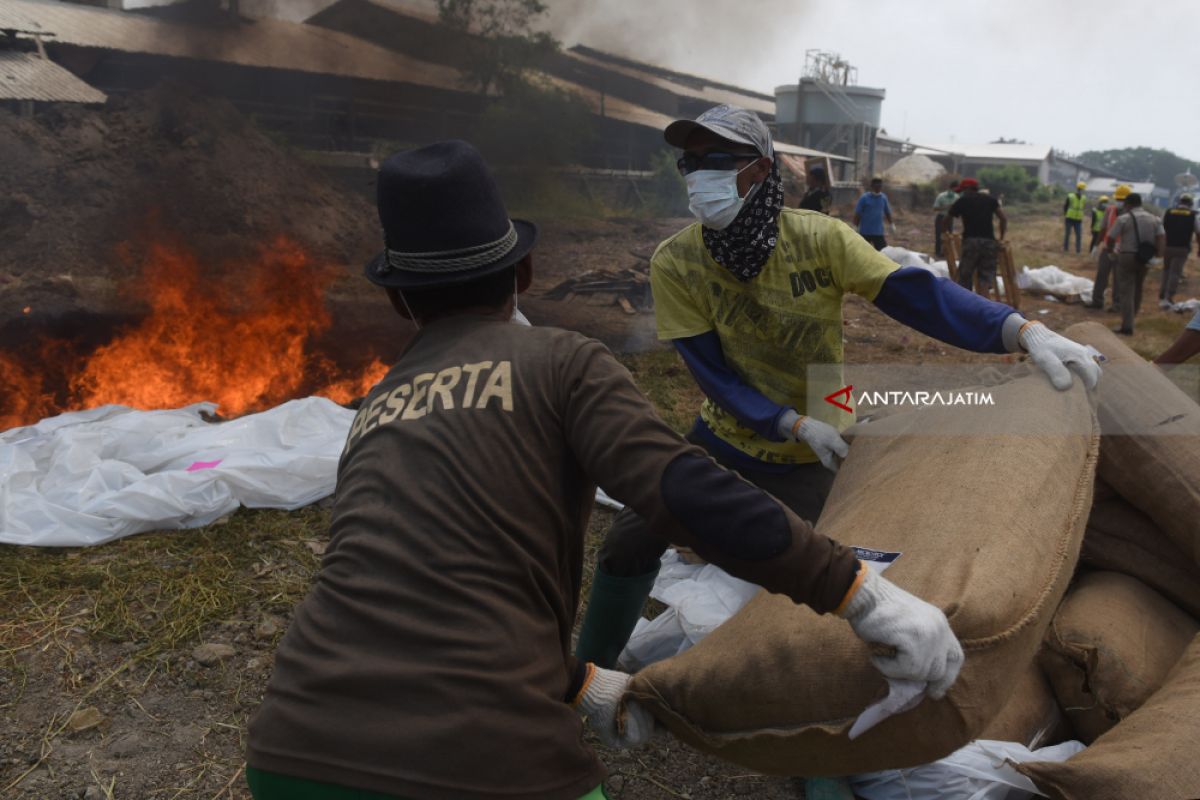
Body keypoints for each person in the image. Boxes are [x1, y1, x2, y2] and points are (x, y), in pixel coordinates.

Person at [243, 140, 966, 800]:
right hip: (482, 762)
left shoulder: (376, 409)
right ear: (524, 272)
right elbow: (679, 488)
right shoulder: (561, 361)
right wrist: (858, 592)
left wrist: (578, 680)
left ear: (397, 298)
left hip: (290, 750)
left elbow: (416, 590)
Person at [575, 106, 1100, 800]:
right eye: (689, 162)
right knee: (629, 541)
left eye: (715, 161)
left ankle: (821, 766)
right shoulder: (677, 259)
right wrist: (786, 422)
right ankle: (589, 677)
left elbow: (915, 296)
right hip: (728, 435)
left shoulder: (819, 240)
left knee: (825, 594)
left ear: (760, 170)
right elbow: (709, 371)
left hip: (825, 438)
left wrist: (1018, 328)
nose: (697, 176)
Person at [1104, 192, 1166, 335]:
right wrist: (1159, 256)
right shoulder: (1154, 219)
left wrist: (1110, 251)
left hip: (1127, 256)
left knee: (1126, 291)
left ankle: (1127, 325)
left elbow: (1111, 237)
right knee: (1138, 288)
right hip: (1145, 258)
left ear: (1128, 204)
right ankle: (1133, 317)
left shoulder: (1123, 219)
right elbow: (1161, 237)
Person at [945, 177, 1007, 297]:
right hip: (989, 243)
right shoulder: (990, 200)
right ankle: (983, 307)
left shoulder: (962, 201)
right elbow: (1003, 218)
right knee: (985, 278)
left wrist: (946, 233)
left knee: (965, 276)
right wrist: (1001, 238)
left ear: (968, 189)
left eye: (963, 190)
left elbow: (946, 219)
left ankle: (966, 306)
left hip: (971, 242)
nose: (962, 193)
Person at [1089, 183, 1131, 311]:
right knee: (1101, 275)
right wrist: (1096, 245)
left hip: (1122, 251)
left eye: (1122, 200)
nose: (1119, 202)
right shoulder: (1110, 210)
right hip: (1108, 249)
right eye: (1118, 199)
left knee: (1119, 279)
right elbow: (1102, 229)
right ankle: (1097, 301)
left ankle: (1117, 304)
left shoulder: (1132, 214)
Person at [1158, 194, 1200, 308]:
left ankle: (1162, 295)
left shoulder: (1168, 212)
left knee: (1166, 271)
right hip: (1182, 248)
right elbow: (1198, 233)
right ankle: (1169, 297)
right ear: (1190, 204)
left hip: (1167, 247)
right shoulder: (1192, 215)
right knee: (1175, 273)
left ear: (1179, 202)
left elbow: (1159, 229)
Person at [853, 175, 894, 250]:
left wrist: (891, 224)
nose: (878, 187)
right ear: (872, 186)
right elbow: (858, 213)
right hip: (865, 232)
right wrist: (855, 226)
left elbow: (887, 212)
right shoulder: (864, 198)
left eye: (880, 185)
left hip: (878, 232)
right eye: (876, 185)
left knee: (882, 253)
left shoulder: (883, 198)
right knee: (862, 252)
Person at [932, 180, 960, 257]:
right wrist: (946, 207)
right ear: (950, 188)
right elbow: (935, 208)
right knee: (939, 235)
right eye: (954, 189)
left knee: (949, 236)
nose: (954, 191)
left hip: (950, 218)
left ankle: (946, 252)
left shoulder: (957, 197)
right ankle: (938, 252)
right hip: (941, 217)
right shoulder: (941, 196)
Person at [1063, 181, 1087, 254]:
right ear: (1078, 189)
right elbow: (1065, 206)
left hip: (1078, 220)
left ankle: (1078, 251)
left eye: (1082, 189)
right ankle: (1066, 249)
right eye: (1080, 189)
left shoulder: (1084, 198)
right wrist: (1066, 214)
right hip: (1069, 218)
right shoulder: (1070, 196)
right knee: (1067, 234)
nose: (1081, 191)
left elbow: (1083, 207)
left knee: (1079, 235)